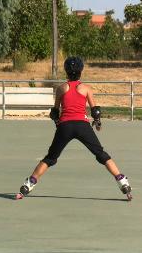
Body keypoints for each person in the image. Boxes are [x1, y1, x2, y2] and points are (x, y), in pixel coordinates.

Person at [16, 56, 132, 201]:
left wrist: (58, 124)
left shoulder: (61, 88)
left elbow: (54, 112)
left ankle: (28, 185)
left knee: (50, 158)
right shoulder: (86, 88)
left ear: (66, 71)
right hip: (82, 126)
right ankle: (122, 182)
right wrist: (97, 123)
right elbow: (95, 110)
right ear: (81, 71)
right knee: (101, 154)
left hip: (65, 126)